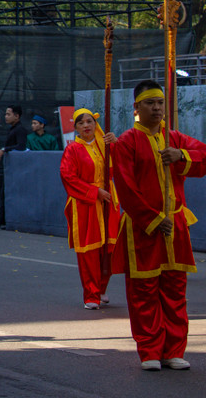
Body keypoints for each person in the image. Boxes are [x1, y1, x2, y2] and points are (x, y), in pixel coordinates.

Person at [112, 80, 206, 371]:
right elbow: (126, 189)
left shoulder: (175, 138)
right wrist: (153, 219)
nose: (156, 108)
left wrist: (182, 156)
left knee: (175, 290)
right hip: (144, 228)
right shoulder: (126, 142)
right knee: (144, 291)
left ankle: (174, 350)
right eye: (150, 103)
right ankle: (150, 350)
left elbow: (203, 157)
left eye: (160, 103)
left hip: (176, 225)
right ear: (136, 108)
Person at [59, 109, 119, 309]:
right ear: (75, 128)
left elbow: (119, 167)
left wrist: (115, 145)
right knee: (89, 251)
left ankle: (101, 288)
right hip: (85, 204)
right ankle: (91, 295)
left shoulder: (104, 145)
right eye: (81, 123)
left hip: (109, 201)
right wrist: (94, 193)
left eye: (89, 122)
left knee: (110, 250)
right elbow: (68, 177)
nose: (86, 126)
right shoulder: (73, 150)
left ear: (95, 124)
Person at [0, 105, 27, 230]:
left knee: (5, 194)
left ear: (17, 116)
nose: (6, 117)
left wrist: (4, 149)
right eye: (5, 114)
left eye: (8, 114)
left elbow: (21, 146)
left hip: (16, 170)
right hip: (10, 168)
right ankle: (2, 221)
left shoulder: (20, 130)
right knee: (4, 194)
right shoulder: (12, 129)